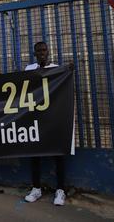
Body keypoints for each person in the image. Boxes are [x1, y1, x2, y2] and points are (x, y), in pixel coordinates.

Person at [23, 41, 66, 206]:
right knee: (35, 154)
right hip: (36, 119)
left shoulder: (57, 69)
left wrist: (68, 71)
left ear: (48, 52)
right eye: (38, 51)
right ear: (35, 54)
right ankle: (36, 188)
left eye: (44, 50)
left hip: (53, 118)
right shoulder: (29, 70)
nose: (41, 53)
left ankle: (60, 190)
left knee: (58, 153)